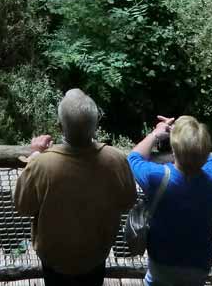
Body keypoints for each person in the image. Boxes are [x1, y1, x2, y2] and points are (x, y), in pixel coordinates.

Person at [14, 89, 137, 286]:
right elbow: (128, 201)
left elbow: (23, 206)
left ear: (60, 126)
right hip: (95, 254)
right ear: (95, 125)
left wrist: (35, 155)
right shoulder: (115, 159)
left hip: (55, 258)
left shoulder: (43, 164)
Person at [128, 115, 212, 286]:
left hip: (162, 264)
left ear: (174, 150)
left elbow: (133, 158)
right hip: (199, 266)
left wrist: (157, 133)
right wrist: (187, 136)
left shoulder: (157, 177)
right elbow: (205, 156)